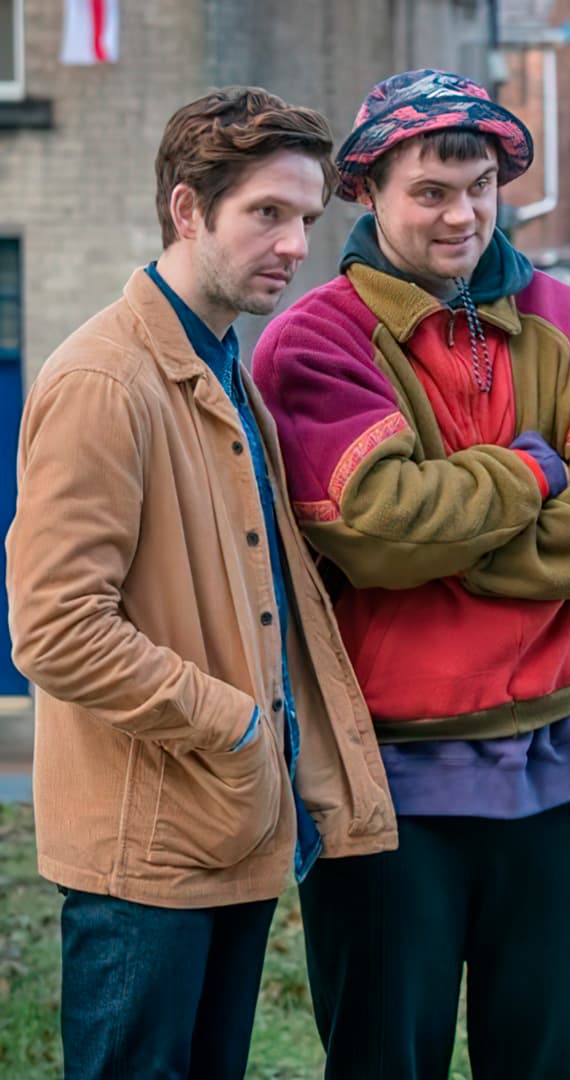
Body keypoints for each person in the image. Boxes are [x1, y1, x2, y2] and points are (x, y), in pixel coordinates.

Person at [251, 70, 570, 1077]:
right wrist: (533, 471)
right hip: (386, 774)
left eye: (479, 188)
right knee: (384, 1060)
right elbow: (376, 527)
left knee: (550, 1060)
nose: (462, 215)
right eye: (430, 192)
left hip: (563, 765)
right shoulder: (312, 343)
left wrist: (448, 540)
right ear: (368, 191)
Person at [6, 88, 396, 1080]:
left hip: (231, 830)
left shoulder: (222, 367)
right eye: (267, 213)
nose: (295, 244)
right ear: (188, 210)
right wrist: (235, 726)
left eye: (305, 217)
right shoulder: (105, 380)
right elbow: (54, 628)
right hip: (145, 855)